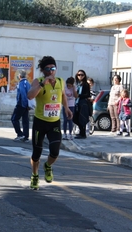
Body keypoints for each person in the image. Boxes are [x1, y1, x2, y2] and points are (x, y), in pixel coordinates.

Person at [27, 56, 73, 190]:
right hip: (40, 122)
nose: (51, 71)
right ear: (43, 70)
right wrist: (42, 84)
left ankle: (48, 165)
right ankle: (34, 176)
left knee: (55, 151)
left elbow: (63, 95)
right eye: (47, 69)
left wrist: (66, 108)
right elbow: (30, 95)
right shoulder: (38, 81)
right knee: (36, 153)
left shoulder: (60, 81)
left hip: (54, 122)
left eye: (53, 68)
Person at [11, 70, 30, 142]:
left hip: (21, 104)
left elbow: (23, 94)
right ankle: (26, 136)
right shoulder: (28, 83)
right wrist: (28, 105)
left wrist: (24, 104)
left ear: (20, 76)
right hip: (26, 104)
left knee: (14, 119)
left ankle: (20, 134)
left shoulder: (21, 83)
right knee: (25, 120)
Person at [73, 70, 91, 139]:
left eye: (82, 75)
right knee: (75, 118)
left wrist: (79, 95)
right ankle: (81, 132)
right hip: (77, 102)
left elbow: (87, 94)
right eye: (79, 75)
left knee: (81, 118)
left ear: (84, 76)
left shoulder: (86, 84)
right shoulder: (77, 84)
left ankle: (83, 134)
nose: (80, 76)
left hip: (83, 103)